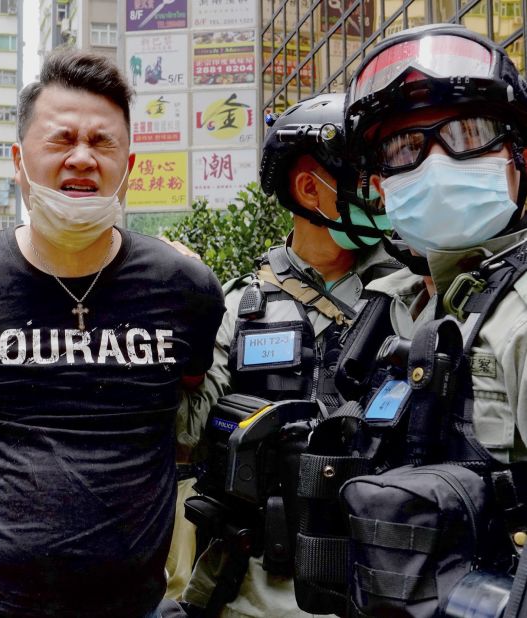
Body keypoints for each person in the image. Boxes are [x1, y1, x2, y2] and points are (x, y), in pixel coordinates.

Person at [0, 49, 224, 618]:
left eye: (103, 143)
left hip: (131, 604)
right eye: (61, 140)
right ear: (19, 161)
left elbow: (190, 384)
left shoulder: (185, 287)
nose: (82, 159)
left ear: (130, 164)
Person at [286, 23, 527, 616]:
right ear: (380, 187)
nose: (433, 162)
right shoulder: (397, 305)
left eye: (468, 134)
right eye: (403, 149)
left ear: (520, 156)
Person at [179, 93, 397, 618]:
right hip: (255, 593)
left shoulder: (412, 292)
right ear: (308, 188)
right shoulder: (238, 306)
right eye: (366, 175)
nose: (383, 189)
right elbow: (185, 433)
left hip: (386, 586)